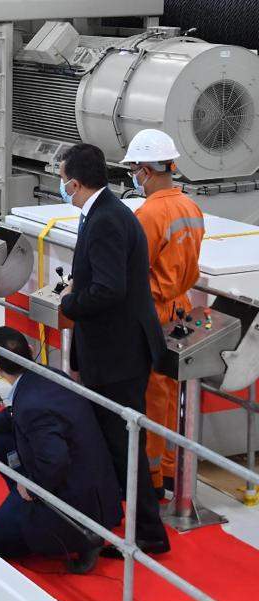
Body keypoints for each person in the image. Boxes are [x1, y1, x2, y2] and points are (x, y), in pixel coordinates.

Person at [57, 143, 171, 556]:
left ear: (76, 183)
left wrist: (70, 302)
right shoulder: (103, 212)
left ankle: (148, 534)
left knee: (124, 444)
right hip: (111, 347)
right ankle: (122, 519)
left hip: (118, 353)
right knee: (114, 441)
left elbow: (108, 288)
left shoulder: (106, 220)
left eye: (62, 178)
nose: (61, 185)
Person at [0, 327, 121, 574]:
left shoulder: (32, 406)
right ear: (30, 350)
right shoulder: (50, 375)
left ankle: (76, 536)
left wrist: (32, 486)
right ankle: (27, 504)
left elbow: (55, 459)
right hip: (95, 482)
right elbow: (14, 413)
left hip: (73, 500)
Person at [122, 129, 205, 496]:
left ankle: (152, 478)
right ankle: (171, 469)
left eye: (134, 170)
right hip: (181, 309)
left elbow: (135, 269)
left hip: (153, 312)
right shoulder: (191, 207)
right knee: (173, 395)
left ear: (145, 170)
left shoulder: (148, 214)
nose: (133, 177)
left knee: (152, 397)